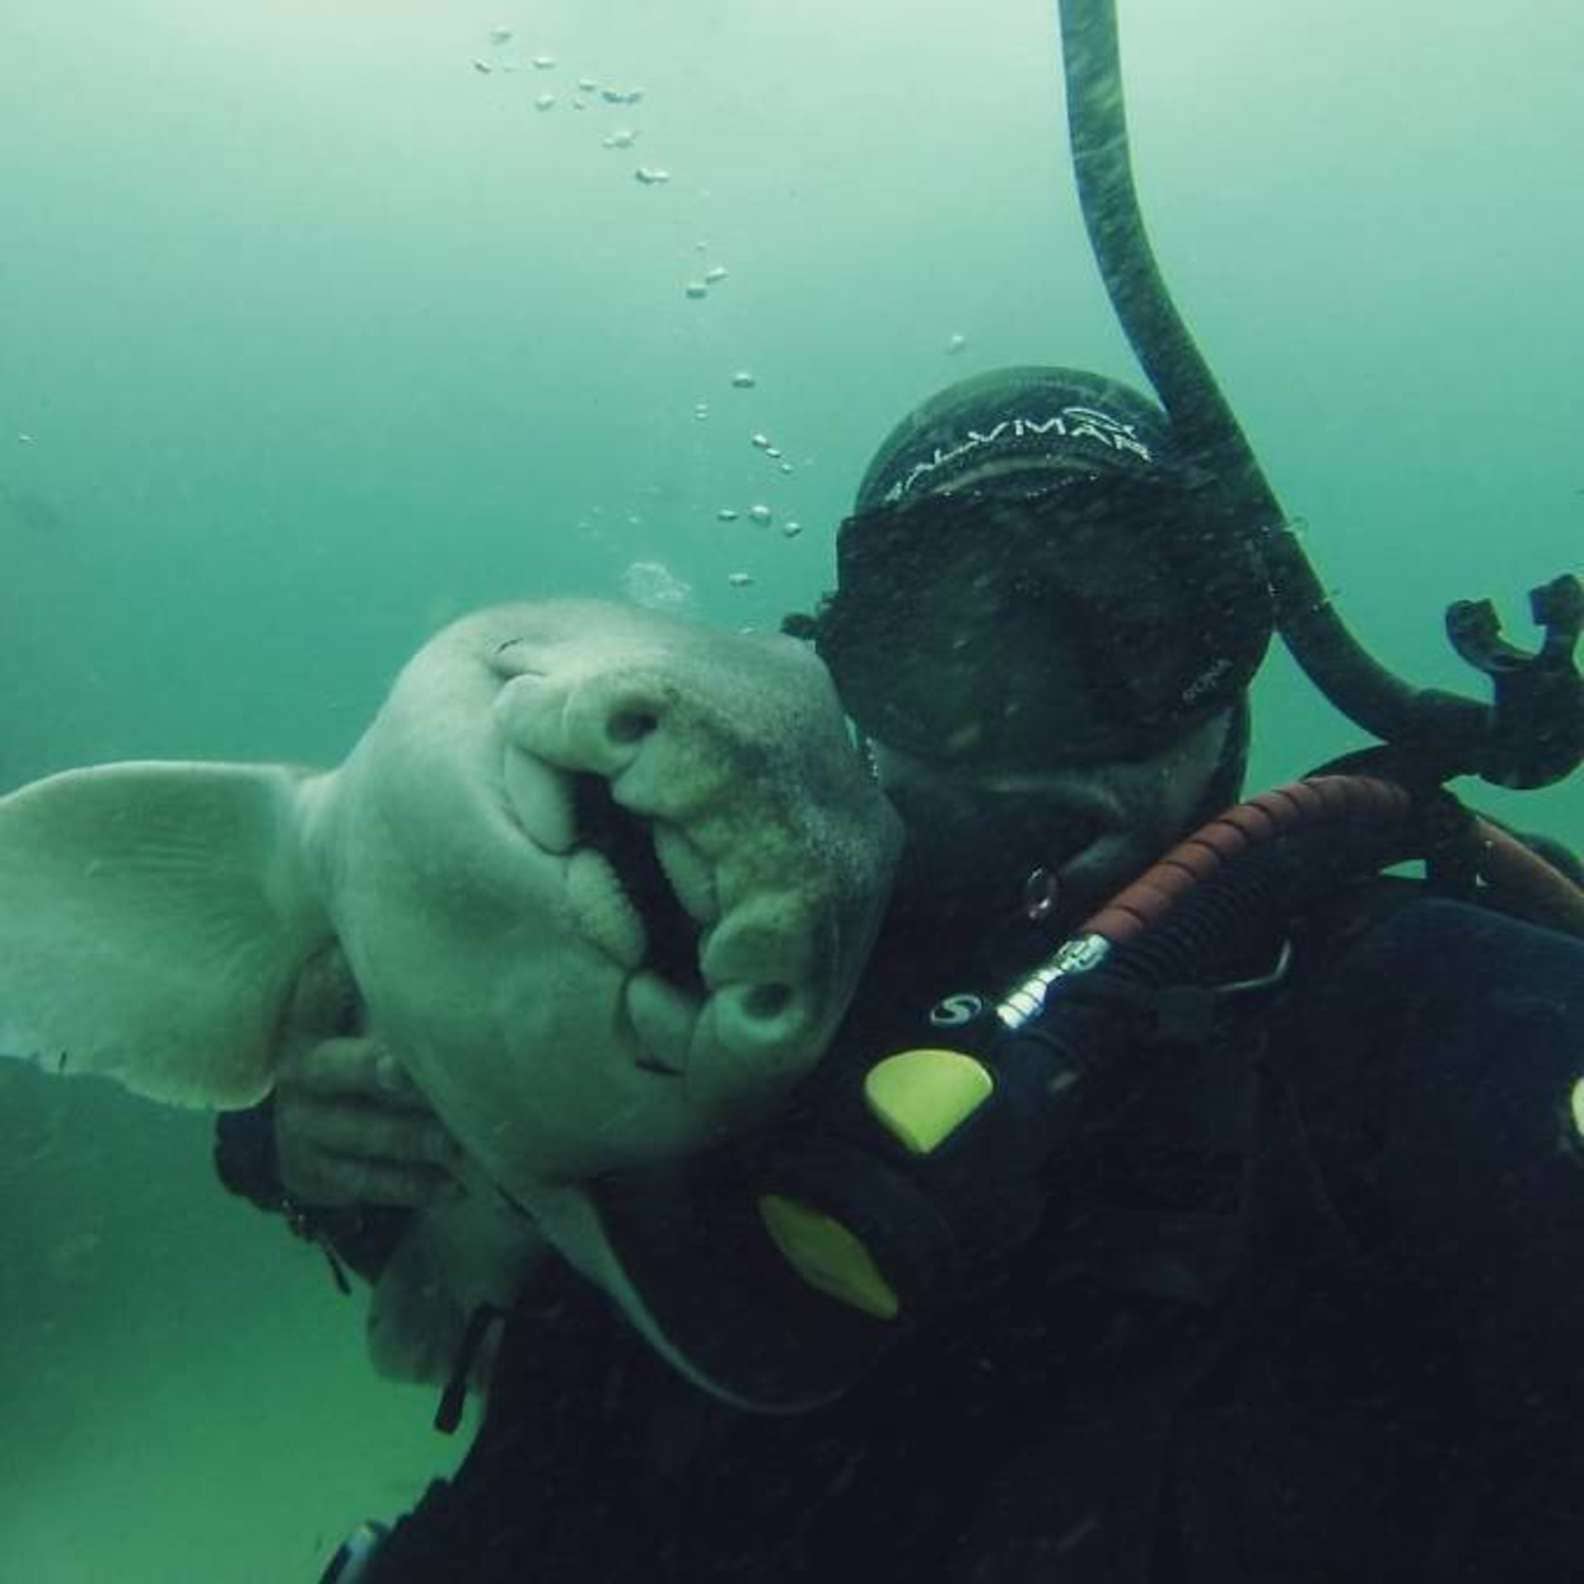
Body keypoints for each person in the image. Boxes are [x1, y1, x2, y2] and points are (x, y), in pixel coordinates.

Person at [218, 367, 1584, 1583]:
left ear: (1232, 674)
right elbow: (471, 1208)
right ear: (850, 672)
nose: (1045, 719)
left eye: (1137, 622)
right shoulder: (676, 956)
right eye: (964, 633)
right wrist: (318, 1131)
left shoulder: (1409, 1015)